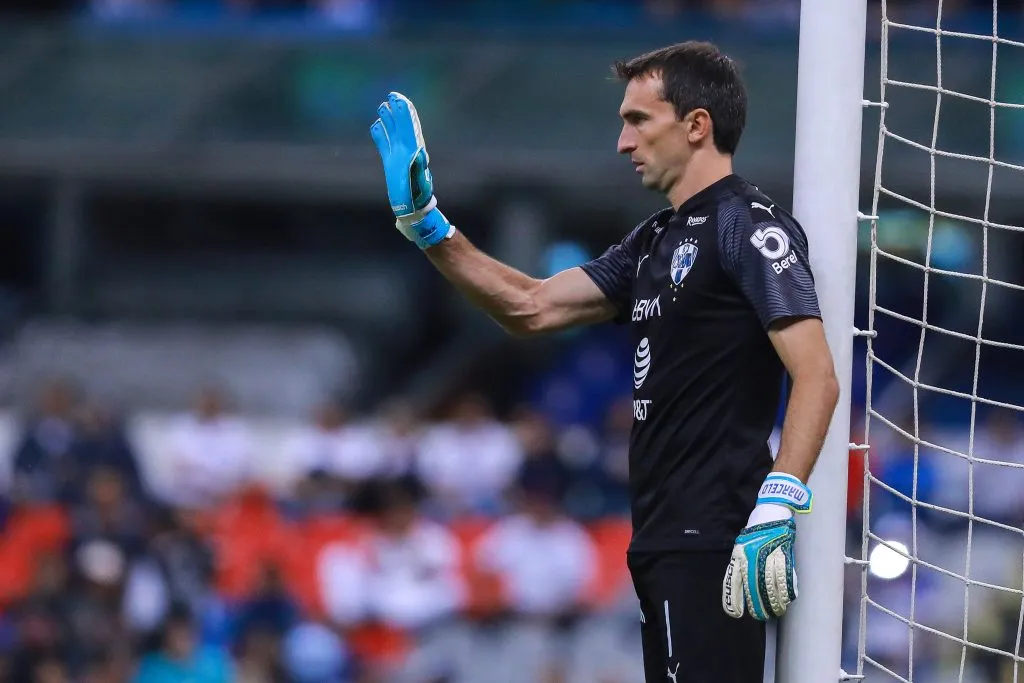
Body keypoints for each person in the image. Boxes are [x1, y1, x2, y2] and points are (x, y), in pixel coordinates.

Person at [370, 40, 840, 683]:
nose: (623, 143)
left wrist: (777, 503)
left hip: (716, 536)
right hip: (660, 535)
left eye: (638, 120)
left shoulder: (749, 227)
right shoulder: (653, 240)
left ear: (697, 125)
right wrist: (428, 225)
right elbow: (529, 306)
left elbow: (816, 374)